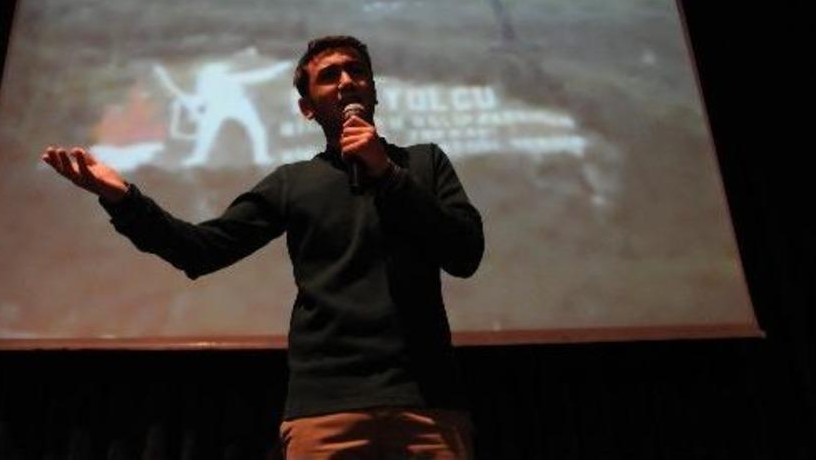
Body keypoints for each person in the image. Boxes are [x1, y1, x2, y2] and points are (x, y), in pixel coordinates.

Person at [42, 35, 485, 459]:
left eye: (357, 71)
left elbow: (465, 254)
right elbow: (200, 250)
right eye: (330, 76)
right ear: (307, 108)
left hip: (428, 404)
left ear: (374, 92)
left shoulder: (423, 164)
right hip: (326, 409)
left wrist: (386, 174)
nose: (347, 81)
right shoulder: (294, 183)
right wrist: (124, 199)